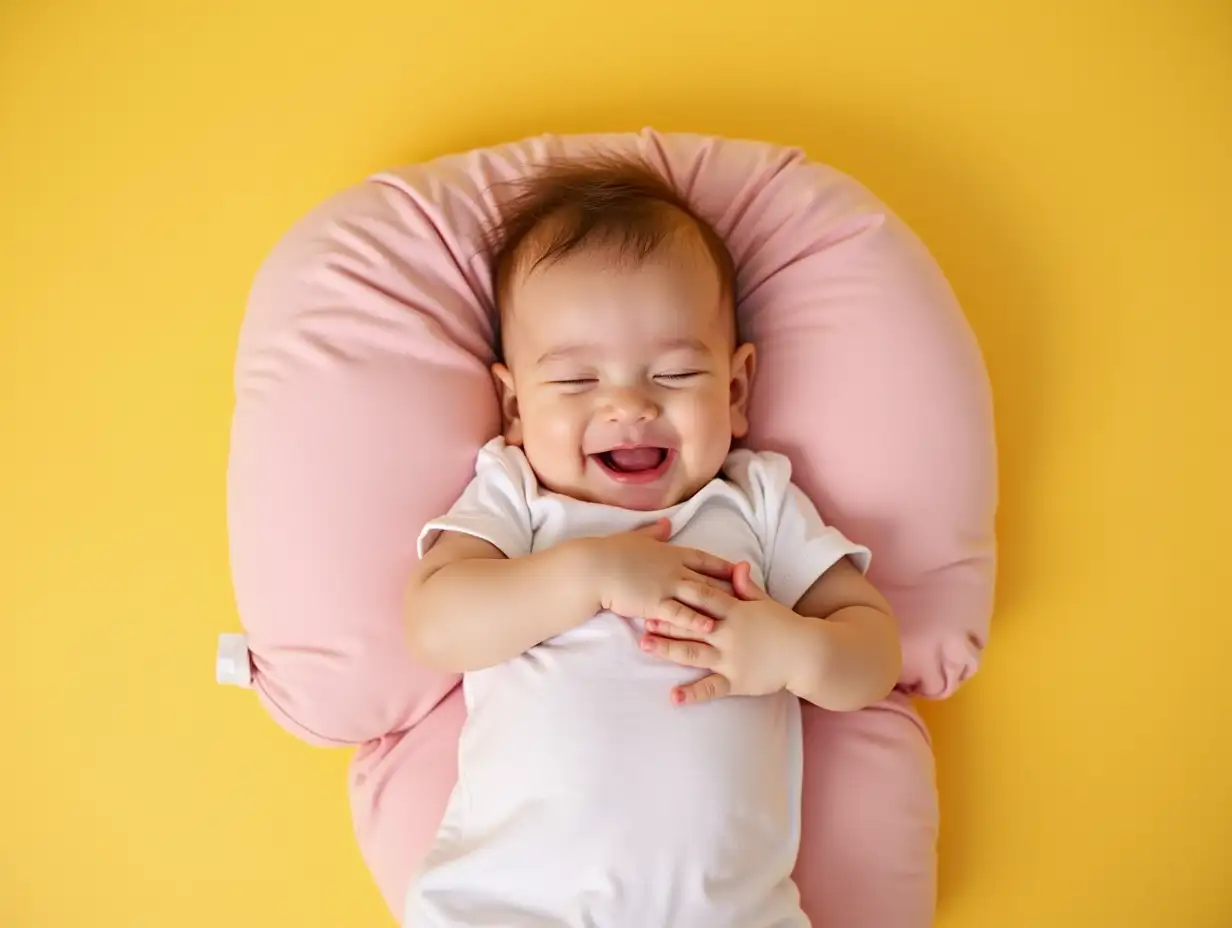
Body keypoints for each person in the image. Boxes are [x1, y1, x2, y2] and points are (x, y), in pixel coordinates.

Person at [402, 154, 903, 927]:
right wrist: (588, 576)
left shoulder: (755, 500)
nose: (628, 405)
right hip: (509, 905)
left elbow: (873, 651)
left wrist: (792, 652)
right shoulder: (519, 498)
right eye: (575, 383)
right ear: (513, 404)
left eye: (672, 374)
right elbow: (437, 624)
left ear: (735, 392)